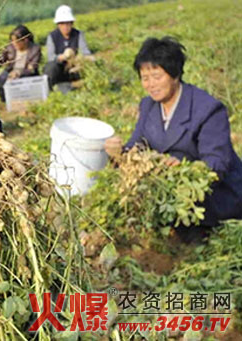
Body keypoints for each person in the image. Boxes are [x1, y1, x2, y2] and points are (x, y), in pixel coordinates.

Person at [104, 37, 242, 241]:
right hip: (173, 196)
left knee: (191, 243)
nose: (150, 85)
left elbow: (216, 164)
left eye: (157, 77)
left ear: (175, 73)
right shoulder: (148, 106)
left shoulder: (207, 109)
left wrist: (184, 168)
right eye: (145, 78)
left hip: (214, 198)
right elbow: (136, 146)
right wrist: (118, 154)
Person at [43, 5, 93, 92]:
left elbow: (86, 52)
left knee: (91, 63)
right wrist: (63, 57)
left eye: (67, 23)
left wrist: (79, 59)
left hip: (75, 68)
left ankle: (88, 87)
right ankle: (49, 90)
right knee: (51, 67)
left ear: (72, 23)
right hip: (60, 69)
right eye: (62, 23)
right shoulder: (52, 36)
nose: (65, 26)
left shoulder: (78, 34)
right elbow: (51, 57)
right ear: (58, 25)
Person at [0, 24, 41, 102]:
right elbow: (0, 60)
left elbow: (32, 69)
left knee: (23, 82)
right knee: (2, 78)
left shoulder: (35, 49)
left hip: (26, 74)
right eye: (12, 41)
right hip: (11, 71)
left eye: (17, 41)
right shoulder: (10, 48)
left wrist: (18, 73)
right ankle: (4, 101)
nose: (14, 44)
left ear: (25, 40)